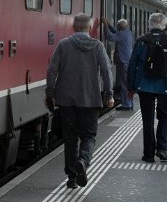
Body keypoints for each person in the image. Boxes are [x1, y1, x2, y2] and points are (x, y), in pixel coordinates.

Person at [45, 13, 115, 189]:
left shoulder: (64, 44)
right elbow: (106, 71)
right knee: (89, 136)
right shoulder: (97, 46)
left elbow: (52, 70)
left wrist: (50, 93)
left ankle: (72, 178)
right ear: (90, 28)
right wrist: (109, 95)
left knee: (70, 139)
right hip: (90, 100)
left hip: (67, 101)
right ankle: (83, 160)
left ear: (73, 27)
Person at [127, 12, 167, 163]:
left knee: (147, 120)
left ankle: (148, 154)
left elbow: (132, 64)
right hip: (166, 86)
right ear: (164, 25)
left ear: (149, 24)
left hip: (144, 86)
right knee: (164, 117)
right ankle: (162, 149)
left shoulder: (141, 41)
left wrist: (130, 87)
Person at [102, 17, 134, 110]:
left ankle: (126, 105)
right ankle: (130, 103)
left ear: (119, 27)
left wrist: (105, 25)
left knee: (124, 84)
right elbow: (116, 31)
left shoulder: (121, 34)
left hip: (123, 62)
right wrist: (109, 25)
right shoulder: (127, 33)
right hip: (127, 61)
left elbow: (109, 36)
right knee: (127, 84)